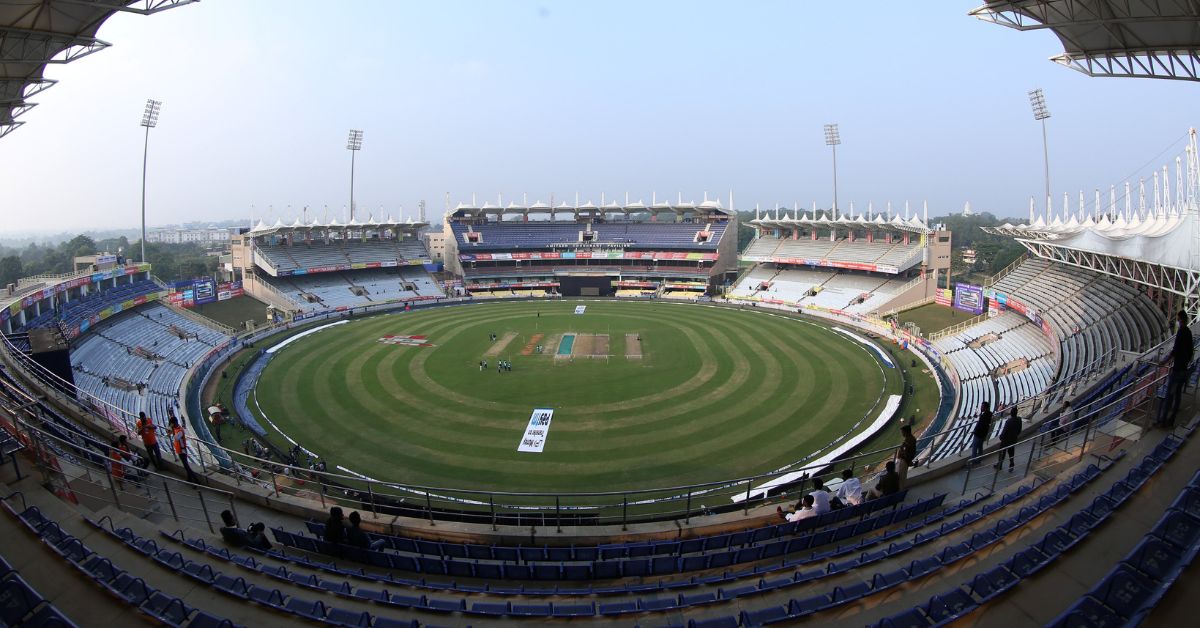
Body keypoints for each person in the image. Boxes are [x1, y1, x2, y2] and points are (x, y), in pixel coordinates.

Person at [1158, 311, 1194, 428]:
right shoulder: (1188, 332)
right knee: (1177, 395)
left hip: (1178, 369)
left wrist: (1164, 361)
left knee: (1169, 395)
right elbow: (1190, 351)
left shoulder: (1181, 332)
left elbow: (1175, 350)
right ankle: (1171, 420)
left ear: (1181, 319)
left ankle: (1163, 421)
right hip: (1184, 369)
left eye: (1178, 319)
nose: (1177, 321)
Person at [169, 416, 200, 483]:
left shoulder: (180, 430)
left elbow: (176, 438)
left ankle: (196, 480)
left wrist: (172, 429)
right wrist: (171, 428)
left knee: (186, 466)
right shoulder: (176, 429)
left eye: (172, 424)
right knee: (186, 466)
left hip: (182, 450)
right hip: (179, 450)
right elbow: (168, 432)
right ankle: (189, 479)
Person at [995, 407, 1022, 471]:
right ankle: (1011, 464)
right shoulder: (1019, 420)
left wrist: (1001, 437)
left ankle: (1000, 465)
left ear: (1011, 413)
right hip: (1013, 439)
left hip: (1006, 440)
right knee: (1011, 452)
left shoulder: (1009, 421)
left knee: (1002, 452)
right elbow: (1019, 430)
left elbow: (1005, 431)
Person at [896, 424, 917, 488]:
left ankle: (900, 493)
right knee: (901, 478)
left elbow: (906, 453)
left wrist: (902, 451)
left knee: (900, 479)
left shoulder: (909, 441)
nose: (902, 433)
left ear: (906, 432)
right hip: (903, 461)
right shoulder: (909, 439)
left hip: (903, 462)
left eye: (902, 432)